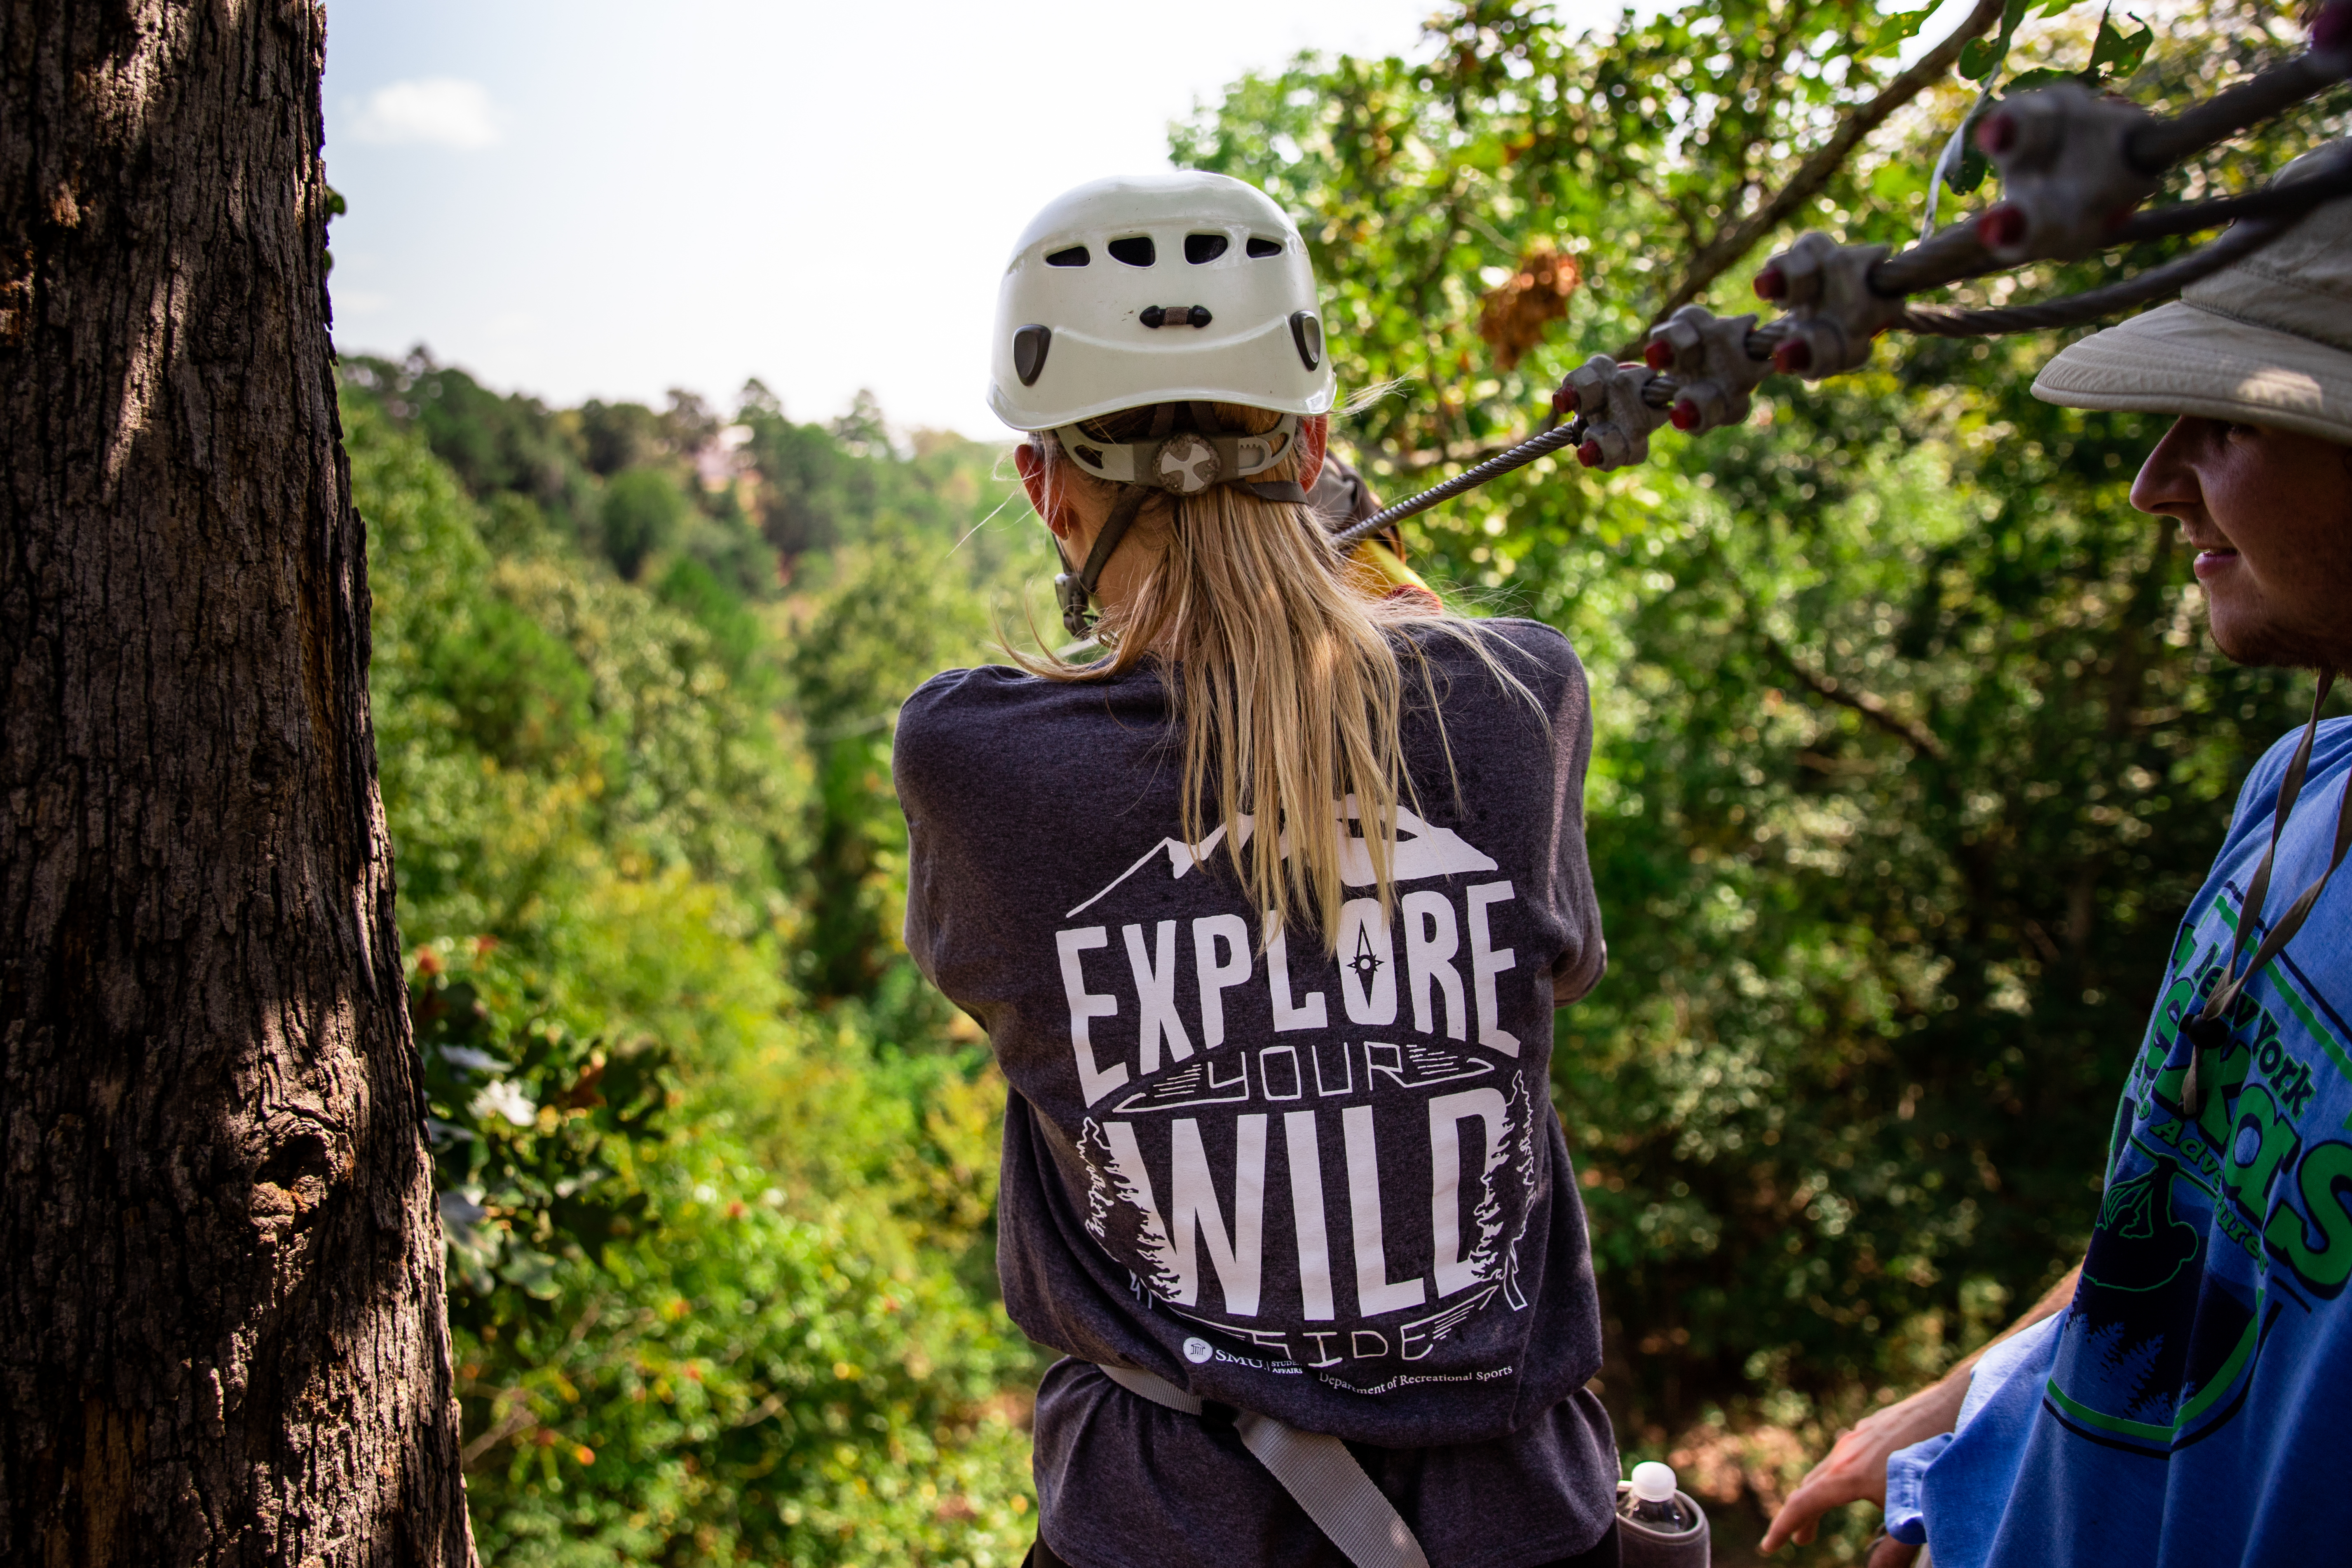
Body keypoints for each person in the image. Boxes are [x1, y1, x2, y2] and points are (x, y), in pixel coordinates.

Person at [894, 171, 1625, 1568]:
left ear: (1042, 487)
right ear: (1313, 445)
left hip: (1159, 1528)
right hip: (1519, 1520)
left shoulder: (974, 756)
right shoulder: (1517, 695)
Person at [1762, 153, 2352, 1566]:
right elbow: (2190, 1202)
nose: (2155, 486)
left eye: (2219, 424)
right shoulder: (2293, 792)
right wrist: (1979, 1402)